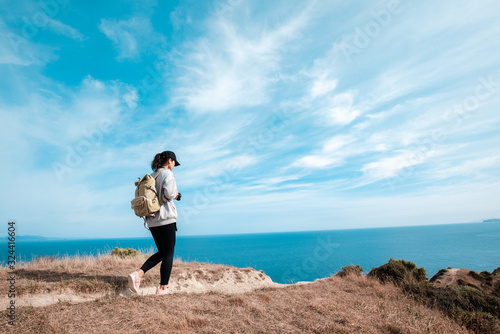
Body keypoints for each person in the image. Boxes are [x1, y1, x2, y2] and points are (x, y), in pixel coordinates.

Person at [128, 150, 181, 295]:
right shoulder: (167, 174)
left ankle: (137, 274)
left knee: (163, 252)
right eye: (174, 162)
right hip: (165, 219)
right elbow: (170, 194)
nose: (174, 165)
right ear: (169, 160)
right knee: (169, 253)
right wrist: (176, 194)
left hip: (152, 221)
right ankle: (163, 288)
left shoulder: (151, 176)